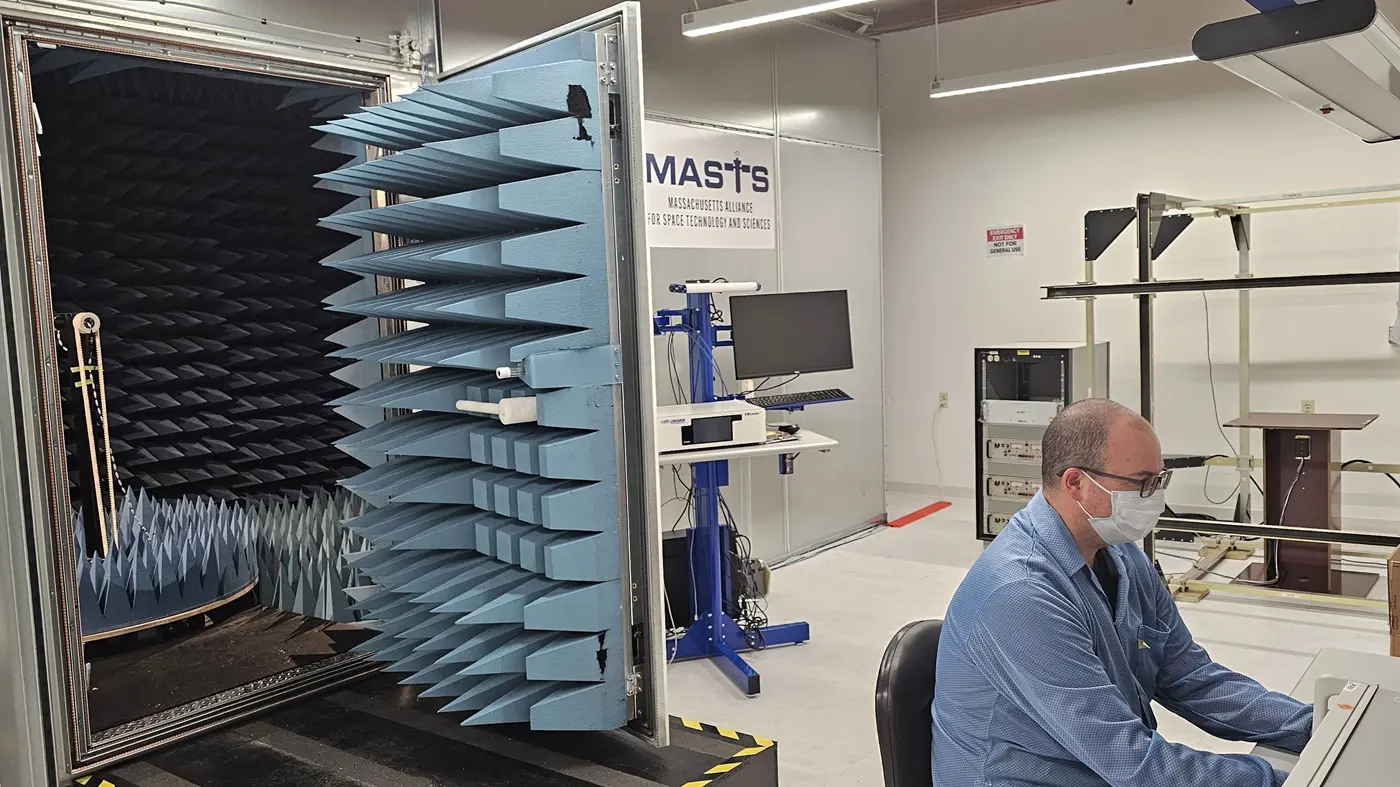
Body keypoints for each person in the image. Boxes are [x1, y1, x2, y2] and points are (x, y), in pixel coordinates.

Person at [931, 399, 1310, 787]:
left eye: (1159, 481)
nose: (1154, 498)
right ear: (1075, 483)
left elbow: (1190, 675)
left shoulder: (1120, 552)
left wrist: (1315, 727)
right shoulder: (1021, 593)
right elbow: (1130, 761)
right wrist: (1279, 781)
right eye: (1141, 483)